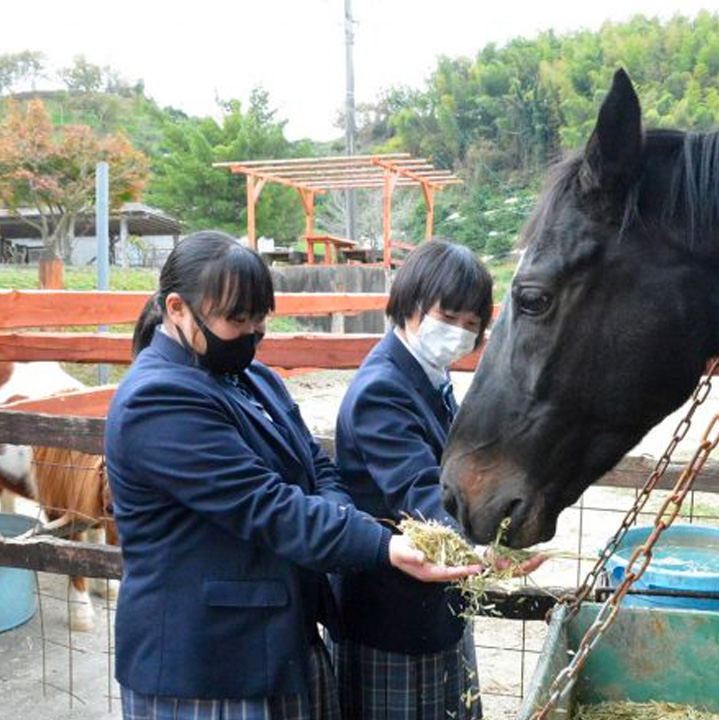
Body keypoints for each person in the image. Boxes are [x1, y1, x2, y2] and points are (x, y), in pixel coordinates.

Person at [104, 231, 478, 720]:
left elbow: (318, 466)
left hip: (282, 644)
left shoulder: (254, 379)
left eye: (260, 319)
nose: (253, 333)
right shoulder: (157, 400)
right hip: (209, 664)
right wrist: (383, 545)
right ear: (177, 308)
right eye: (237, 319)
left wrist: (334, 512)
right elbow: (268, 507)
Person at [331, 240, 542, 720]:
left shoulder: (429, 376)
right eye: (449, 317)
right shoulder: (383, 388)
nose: (458, 334)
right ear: (410, 304)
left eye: (471, 325)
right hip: (390, 615)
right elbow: (419, 492)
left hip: (435, 603)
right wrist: (486, 549)